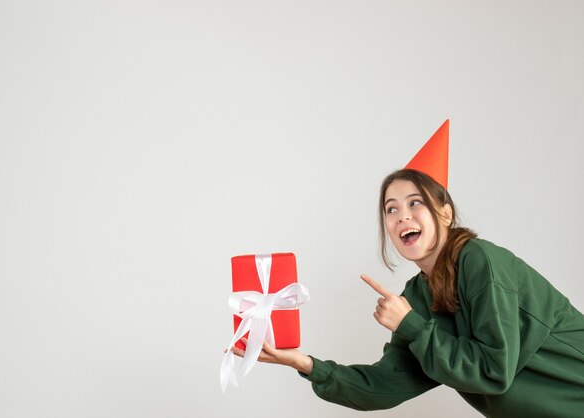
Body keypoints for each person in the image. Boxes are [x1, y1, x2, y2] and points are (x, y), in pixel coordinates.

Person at [230, 122, 584, 417]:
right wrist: (305, 364)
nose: (402, 216)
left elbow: (494, 372)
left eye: (416, 203)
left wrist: (411, 325)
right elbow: (383, 387)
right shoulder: (416, 296)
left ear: (445, 212)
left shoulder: (479, 260)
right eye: (391, 209)